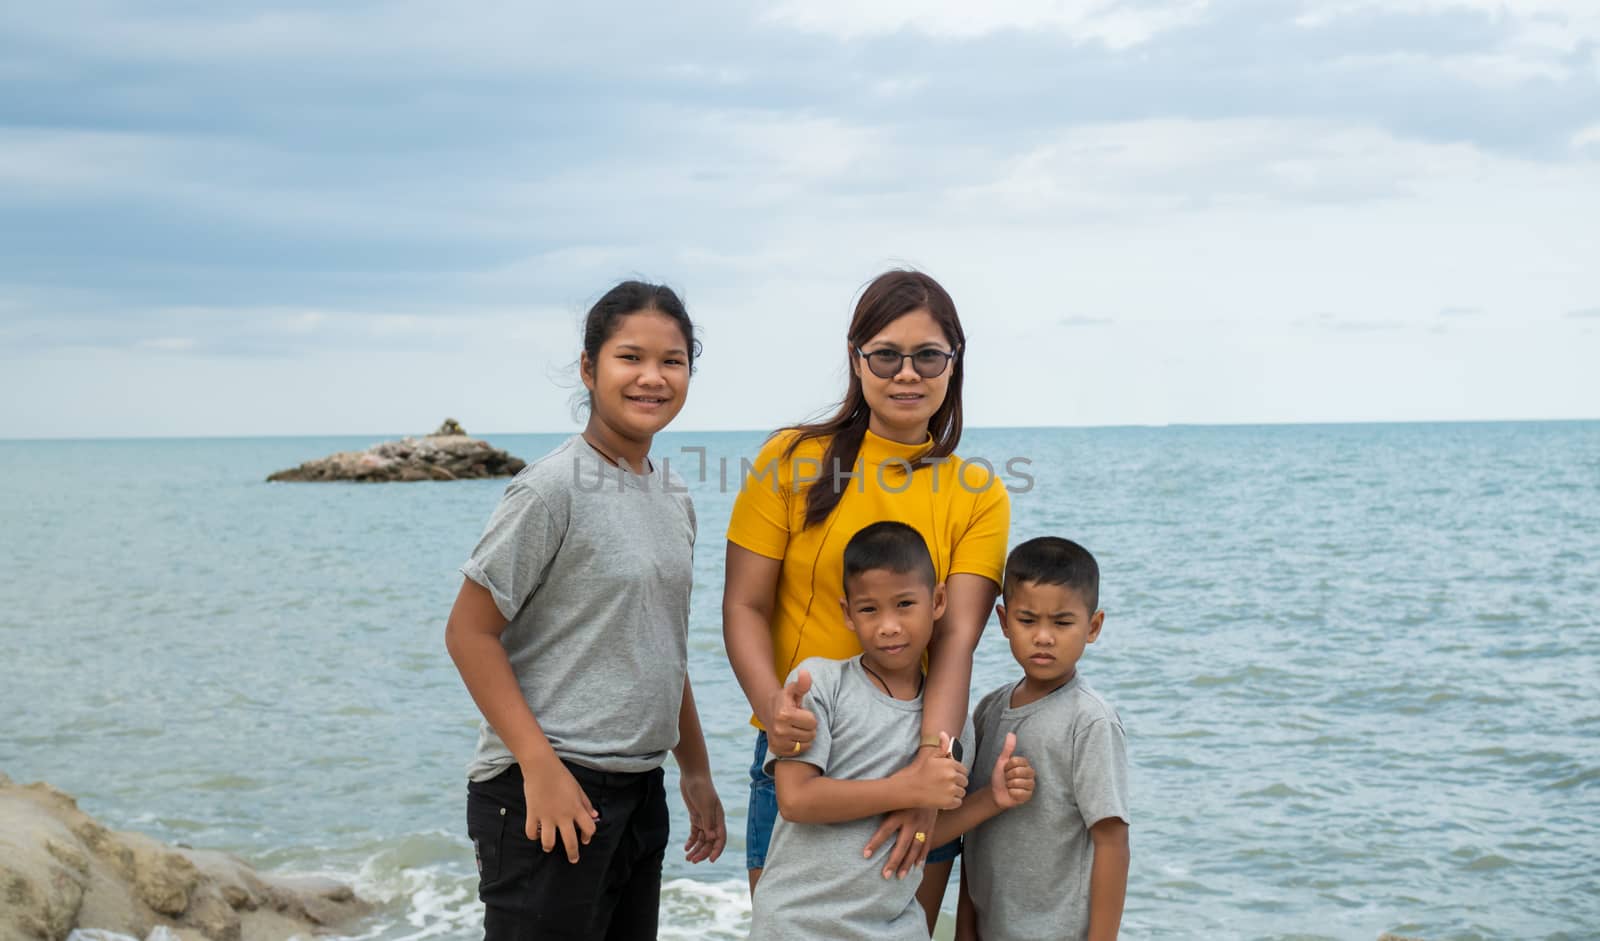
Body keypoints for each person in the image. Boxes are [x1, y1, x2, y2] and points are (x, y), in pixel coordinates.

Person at [722, 269, 1011, 926]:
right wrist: (772, 707)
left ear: (953, 363)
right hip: (801, 760)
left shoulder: (979, 493)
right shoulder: (792, 459)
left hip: (919, 751)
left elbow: (958, 638)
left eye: (928, 355)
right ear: (857, 359)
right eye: (886, 354)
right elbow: (743, 606)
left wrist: (929, 777)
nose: (906, 373)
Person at [444, 281, 726, 941]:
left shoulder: (674, 494)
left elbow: (659, 646)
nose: (652, 377)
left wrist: (695, 769)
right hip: (546, 790)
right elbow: (468, 632)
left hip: (639, 790)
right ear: (588, 368)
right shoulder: (550, 489)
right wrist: (541, 767)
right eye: (630, 357)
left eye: (673, 360)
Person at [750, 521, 1035, 939]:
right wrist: (909, 788)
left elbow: (921, 831)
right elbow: (795, 800)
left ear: (938, 601)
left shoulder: (950, 725)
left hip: (893, 929)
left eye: (904, 604)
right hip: (797, 925)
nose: (888, 625)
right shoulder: (820, 685)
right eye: (869, 609)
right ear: (848, 613)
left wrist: (993, 799)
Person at [956, 537, 1130, 941]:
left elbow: (1112, 841)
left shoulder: (1089, 721)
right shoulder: (988, 711)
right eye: (1028, 620)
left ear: (1094, 626)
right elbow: (974, 836)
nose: (1044, 637)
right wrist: (965, 930)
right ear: (1003, 621)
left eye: (1062, 622)